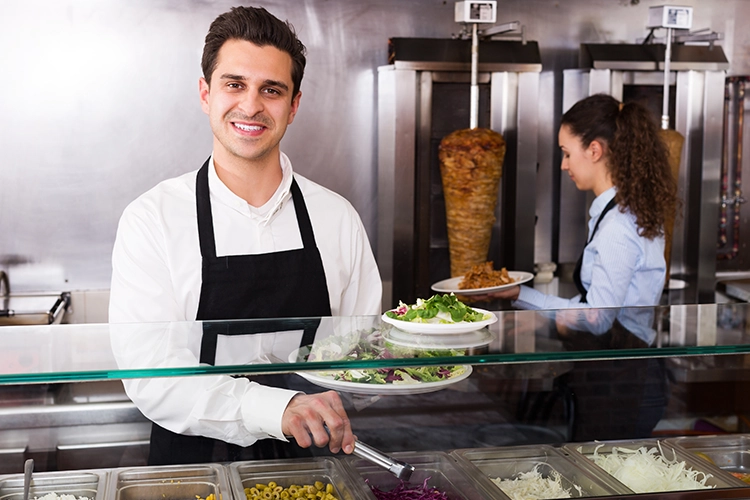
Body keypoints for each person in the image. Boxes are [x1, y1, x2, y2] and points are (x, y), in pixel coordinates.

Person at [108, 6, 382, 465]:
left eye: (271, 90)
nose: (251, 105)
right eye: (234, 84)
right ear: (205, 93)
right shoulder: (152, 219)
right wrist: (279, 407)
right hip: (193, 471)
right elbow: (152, 378)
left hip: (314, 466)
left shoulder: (337, 218)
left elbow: (360, 360)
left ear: (294, 106)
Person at [493, 93, 677, 333]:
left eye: (567, 153)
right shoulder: (622, 213)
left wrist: (543, 320)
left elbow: (598, 320)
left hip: (624, 365)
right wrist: (520, 294)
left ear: (594, 151)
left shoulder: (618, 226)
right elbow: (594, 309)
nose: (564, 164)